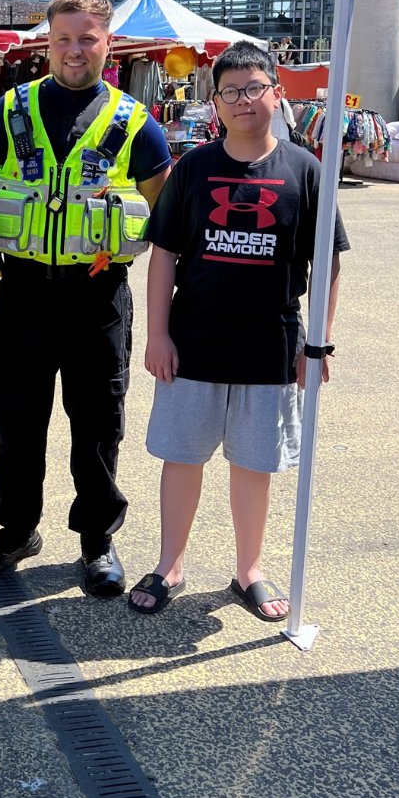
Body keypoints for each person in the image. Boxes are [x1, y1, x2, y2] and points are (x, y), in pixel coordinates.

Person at [128, 40, 348, 621]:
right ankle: (170, 563)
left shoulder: (307, 169)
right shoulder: (195, 168)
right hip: (193, 341)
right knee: (183, 456)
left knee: (256, 461)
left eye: (255, 88)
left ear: (277, 93)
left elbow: (327, 263)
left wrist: (317, 343)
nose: (244, 100)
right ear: (215, 102)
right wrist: (157, 335)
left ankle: (248, 568)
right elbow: (164, 255)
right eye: (231, 91)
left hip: (270, 343)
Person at [0, 0, 171, 597]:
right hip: (23, 294)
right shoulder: (7, 112)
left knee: (98, 422)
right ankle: (16, 529)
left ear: (108, 43)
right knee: (15, 419)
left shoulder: (136, 123)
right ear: (47, 43)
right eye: (64, 39)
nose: (74, 50)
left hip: (98, 299)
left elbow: (168, 218)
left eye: (87, 39)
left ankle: (96, 539)